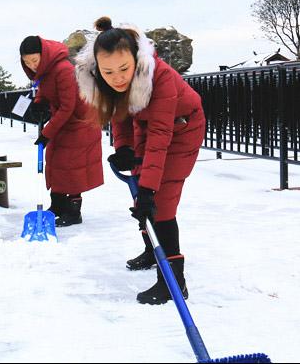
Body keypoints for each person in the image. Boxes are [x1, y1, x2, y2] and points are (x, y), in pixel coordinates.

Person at [75, 17, 205, 304]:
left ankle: (173, 283)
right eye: (109, 72)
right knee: (143, 199)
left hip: (181, 129)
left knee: (161, 203)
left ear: (136, 59)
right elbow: (120, 114)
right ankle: (152, 250)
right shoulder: (106, 79)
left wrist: (149, 189)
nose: (118, 77)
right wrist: (123, 148)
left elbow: (161, 135)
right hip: (147, 128)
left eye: (124, 69)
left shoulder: (161, 79)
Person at [20, 35, 103, 226]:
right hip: (65, 120)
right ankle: (57, 205)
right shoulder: (45, 70)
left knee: (72, 165)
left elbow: (68, 107)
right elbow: (46, 89)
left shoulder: (63, 70)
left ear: (44, 54)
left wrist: (46, 134)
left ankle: (74, 212)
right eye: (27, 62)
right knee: (55, 159)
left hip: (80, 122)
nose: (32, 65)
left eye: (34, 60)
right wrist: (39, 103)